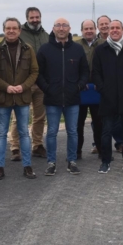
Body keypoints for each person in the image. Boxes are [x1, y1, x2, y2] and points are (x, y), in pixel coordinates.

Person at [36, 18, 89, 176]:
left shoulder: (78, 49)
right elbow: (38, 73)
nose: (61, 28)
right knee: (52, 131)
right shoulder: (44, 49)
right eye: (58, 25)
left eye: (64, 25)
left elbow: (85, 72)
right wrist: (47, 88)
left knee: (72, 131)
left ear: (69, 28)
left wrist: (78, 86)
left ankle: (71, 161)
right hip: (52, 99)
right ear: (53, 29)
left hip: (73, 98)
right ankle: (51, 163)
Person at [0, 17, 39, 180]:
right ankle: (0, 167)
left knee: (24, 132)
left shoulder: (27, 49)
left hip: (22, 98)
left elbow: (34, 72)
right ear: (4, 30)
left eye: (14, 28)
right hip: (3, 98)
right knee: (1, 133)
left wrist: (23, 86)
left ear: (19, 30)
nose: (11, 31)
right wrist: (6, 87)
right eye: (8, 28)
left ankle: (27, 166)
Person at [92, 20, 123, 174]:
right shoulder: (101, 50)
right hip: (107, 98)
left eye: (117, 28)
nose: (114, 30)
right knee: (106, 131)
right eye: (112, 28)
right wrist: (103, 89)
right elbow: (96, 73)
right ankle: (105, 162)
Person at [10, 7, 49, 161]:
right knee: (19, 117)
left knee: (40, 117)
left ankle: (37, 145)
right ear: (27, 18)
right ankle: (15, 147)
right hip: (23, 82)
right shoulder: (20, 35)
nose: (35, 20)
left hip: (41, 82)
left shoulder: (46, 36)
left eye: (37, 17)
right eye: (32, 17)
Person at [76, 20, 103, 159]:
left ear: (96, 29)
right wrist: (81, 82)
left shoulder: (103, 44)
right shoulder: (76, 46)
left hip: (98, 89)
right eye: (86, 28)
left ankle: (101, 150)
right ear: (82, 30)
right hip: (81, 89)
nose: (88, 31)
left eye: (91, 28)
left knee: (99, 123)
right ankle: (77, 151)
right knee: (78, 124)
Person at [97, 15, 123, 153]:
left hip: (117, 88)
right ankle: (98, 143)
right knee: (100, 118)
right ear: (98, 27)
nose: (104, 26)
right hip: (98, 86)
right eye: (101, 24)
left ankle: (119, 142)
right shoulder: (96, 43)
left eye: (107, 23)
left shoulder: (118, 42)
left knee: (117, 118)